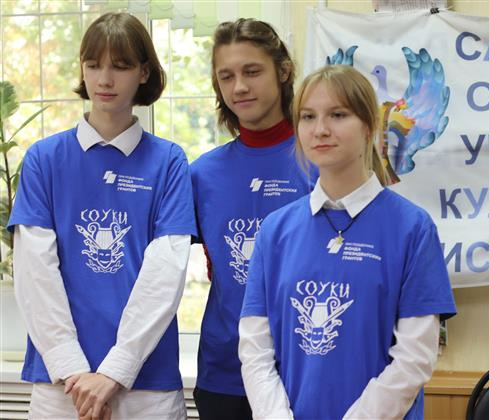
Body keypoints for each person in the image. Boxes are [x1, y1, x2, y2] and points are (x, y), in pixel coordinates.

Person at [239, 65, 457, 419]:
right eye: (308, 117)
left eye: (338, 115)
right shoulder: (275, 231)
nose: (320, 129)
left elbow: (415, 358)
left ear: (369, 125)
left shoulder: (412, 229)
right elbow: (255, 349)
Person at [8, 12, 196, 420]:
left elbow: (166, 273)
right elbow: (35, 271)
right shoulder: (44, 159)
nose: (105, 79)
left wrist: (116, 370)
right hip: (61, 386)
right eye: (93, 65)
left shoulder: (169, 161)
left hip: (147, 385)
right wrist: (73, 369)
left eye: (121, 66)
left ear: (144, 72)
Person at [190, 18, 313, 420]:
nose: (239, 87)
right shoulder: (202, 174)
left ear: (283, 71)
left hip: (305, 370)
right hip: (225, 375)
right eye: (226, 76)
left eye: (252, 71)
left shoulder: (321, 163)